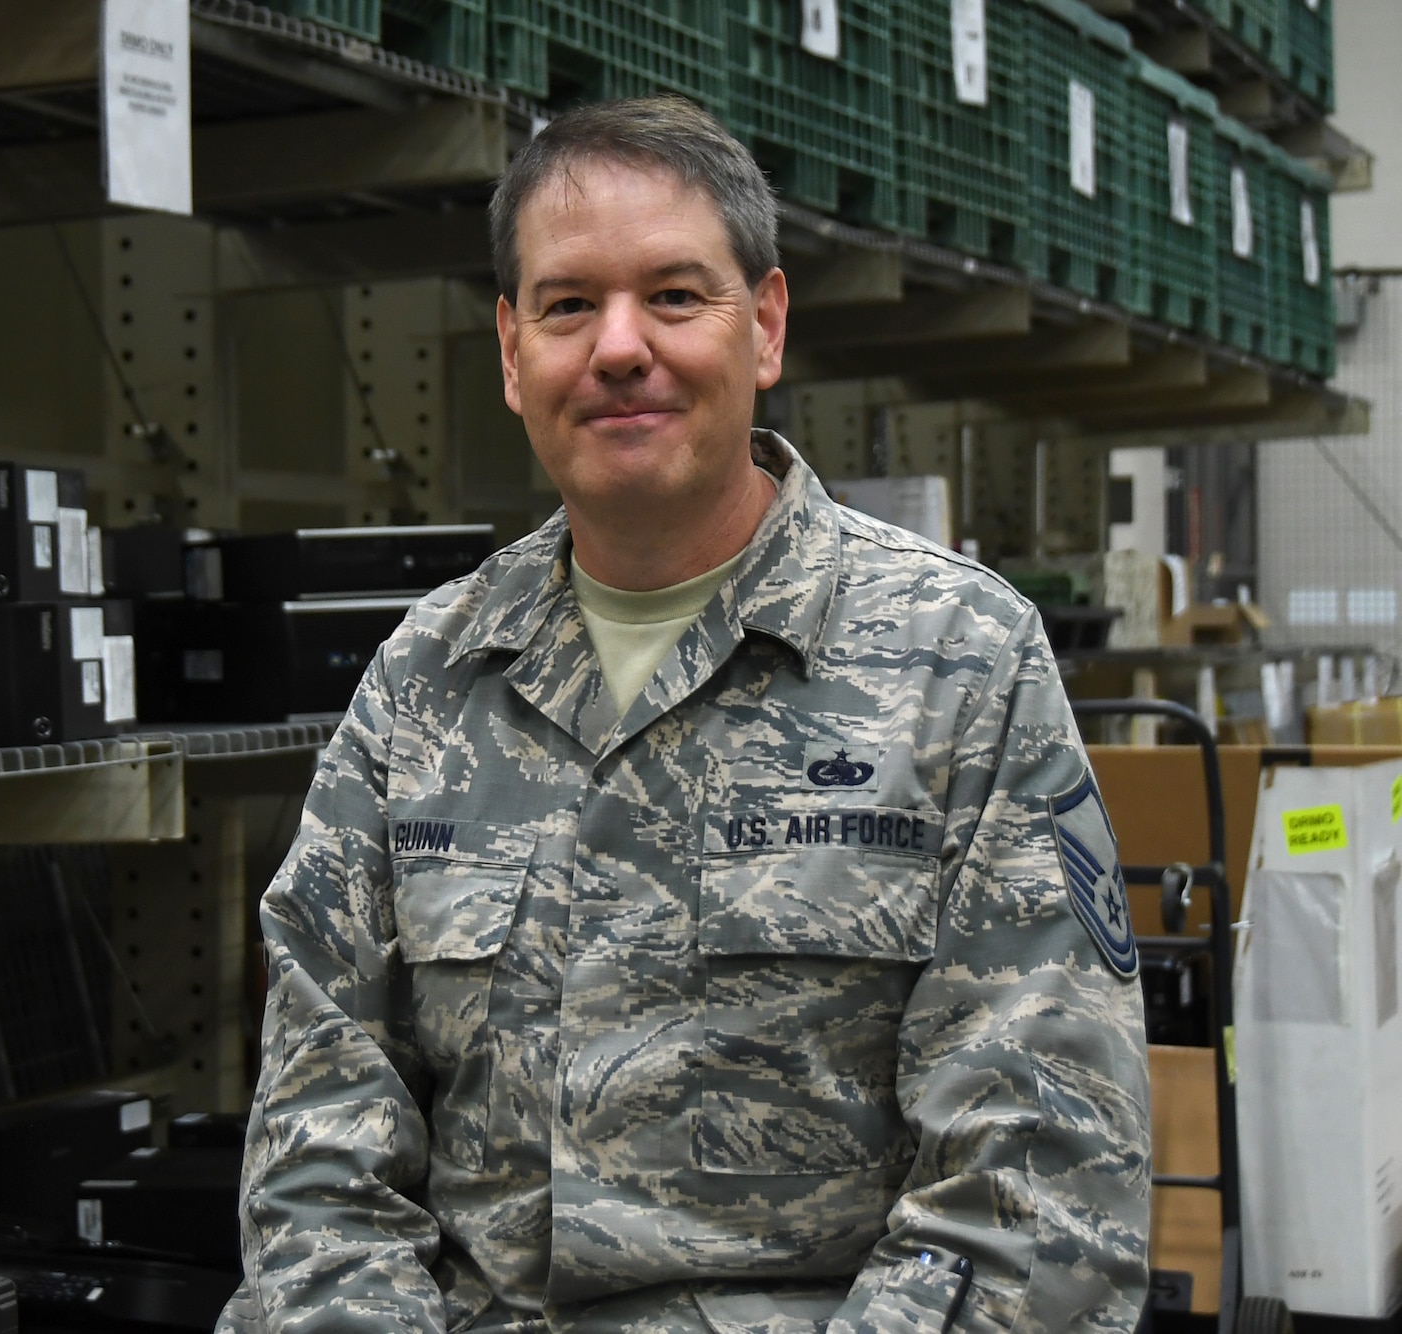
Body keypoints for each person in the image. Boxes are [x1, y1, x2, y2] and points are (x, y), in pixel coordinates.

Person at [218, 96, 1151, 1334]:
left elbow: (1040, 1184)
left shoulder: (956, 663)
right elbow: (316, 1145)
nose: (617, 347)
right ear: (509, 350)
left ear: (762, 326)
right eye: (566, 305)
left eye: (672, 295)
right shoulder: (424, 680)